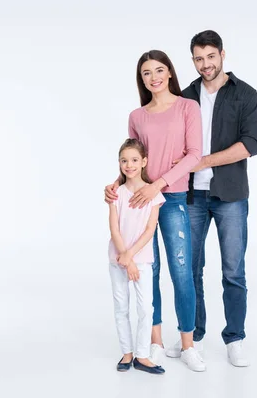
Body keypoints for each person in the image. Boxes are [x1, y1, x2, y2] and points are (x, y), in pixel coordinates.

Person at [166, 30, 257, 367]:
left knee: (233, 271)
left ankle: (235, 339)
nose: (205, 64)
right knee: (189, 269)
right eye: (198, 58)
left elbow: (251, 143)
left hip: (230, 195)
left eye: (210, 57)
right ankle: (193, 337)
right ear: (192, 60)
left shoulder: (245, 94)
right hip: (190, 194)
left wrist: (203, 160)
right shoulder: (184, 96)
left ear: (223, 54)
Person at [105, 50, 206, 372]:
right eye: (147, 73)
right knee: (151, 272)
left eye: (159, 70)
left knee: (182, 273)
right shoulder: (137, 116)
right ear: (142, 79)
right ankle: (155, 342)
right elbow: (132, 160)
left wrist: (157, 184)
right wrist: (116, 183)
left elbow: (194, 155)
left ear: (170, 73)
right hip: (139, 203)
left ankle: (188, 345)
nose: (154, 77)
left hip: (173, 198)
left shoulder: (188, 107)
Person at [108, 138, 166, 374]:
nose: (128, 165)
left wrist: (131, 257)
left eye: (134, 160)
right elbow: (114, 228)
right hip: (118, 259)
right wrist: (124, 257)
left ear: (144, 162)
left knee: (146, 308)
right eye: (124, 160)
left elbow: (150, 229)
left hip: (140, 260)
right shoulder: (116, 193)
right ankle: (127, 353)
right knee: (121, 306)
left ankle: (142, 355)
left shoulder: (154, 195)